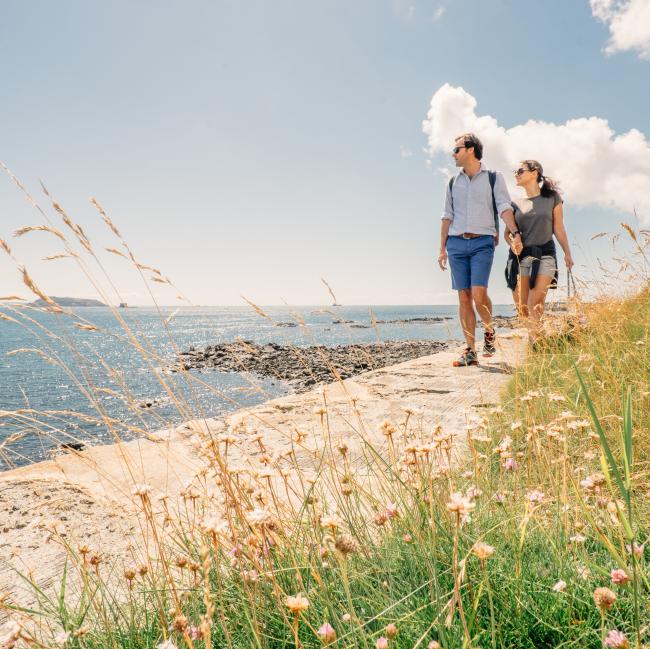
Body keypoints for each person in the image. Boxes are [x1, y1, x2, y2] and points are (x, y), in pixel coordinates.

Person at [438, 133, 523, 367]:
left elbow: (504, 206)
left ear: (471, 150)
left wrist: (515, 232)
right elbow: (447, 215)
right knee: (463, 297)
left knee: (478, 293)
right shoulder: (453, 182)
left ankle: (488, 329)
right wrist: (442, 248)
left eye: (456, 150)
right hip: (455, 243)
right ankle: (470, 351)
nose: (453, 154)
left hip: (482, 243)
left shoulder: (494, 178)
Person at [504, 160, 574, 342]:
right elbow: (508, 233)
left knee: (535, 302)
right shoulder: (514, 203)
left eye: (520, 170)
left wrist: (567, 253)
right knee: (523, 308)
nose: (516, 174)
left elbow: (559, 228)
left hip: (545, 254)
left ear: (535, 173)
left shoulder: (552, 198)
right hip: (521, 258)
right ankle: (539, 340)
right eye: (515, 171)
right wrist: (513, 243)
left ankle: (537, 345)